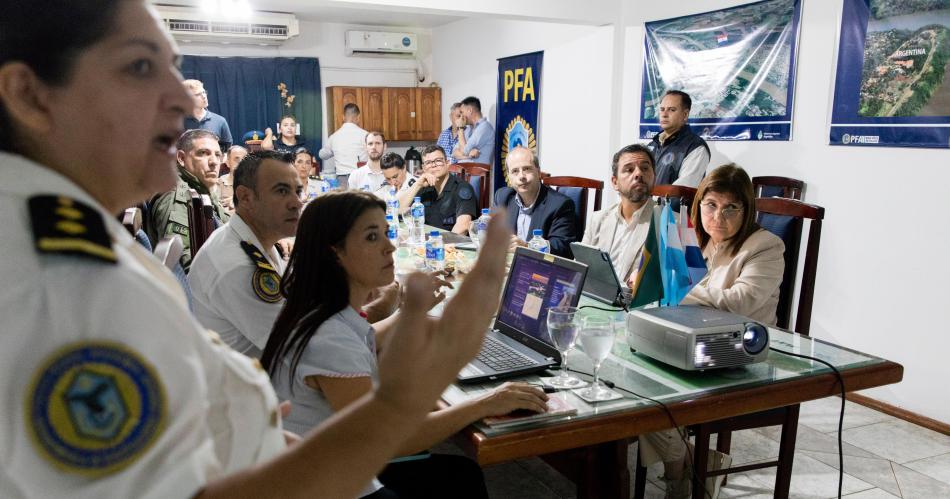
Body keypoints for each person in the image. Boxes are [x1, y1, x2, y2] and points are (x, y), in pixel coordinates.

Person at [0, 2, 515, 497]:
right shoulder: (59, 289)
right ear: (31, 95)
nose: (183, 101)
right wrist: (403, 399)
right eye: (139, 66)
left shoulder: (79, 240)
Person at [262, 191, 549, 499]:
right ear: (335, 253)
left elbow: (367, 338)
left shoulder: (319, 310)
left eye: (386, 233)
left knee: (461, 476)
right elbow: (386, 438)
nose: (390, 247)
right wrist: (486, 403)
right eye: (372, 237)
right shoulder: (331, 337)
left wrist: (412, 313)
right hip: (333, 485)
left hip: (328, 468)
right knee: (461, 479)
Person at [642, 164, 784, 499]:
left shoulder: (765, 246)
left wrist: (679, 287)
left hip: (742, 356)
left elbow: (740, 302)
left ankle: (679, 478)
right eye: (711, 205)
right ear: (699, 205)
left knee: (652, 395)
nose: (718, 216)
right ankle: (689, 464)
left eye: (731, 207)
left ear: (746, 210)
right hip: (694, 344)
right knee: (634, 384)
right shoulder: (695, 240)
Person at [188, 151, 303, 357]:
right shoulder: (239, 267)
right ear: (245, 197)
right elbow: (301, 348)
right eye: (282, 191)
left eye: (298, 191)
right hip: (264, 374)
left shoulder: (252, 239)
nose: (297, 203)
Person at [147, 128, 230, 272]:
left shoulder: (200, 187)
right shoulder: (176, 195)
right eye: (203, 153)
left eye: (217, 155)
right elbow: (184, 266)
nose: (214, 162)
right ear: (181, 158)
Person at [583, 144, 657, 287]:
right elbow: (580, 267)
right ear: (615, 182)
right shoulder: (597, 219)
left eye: (645, 168)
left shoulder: (668, 222)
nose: (638, 174)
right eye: (629, 170)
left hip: (636, 300)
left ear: (654, 177)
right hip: (596, 295)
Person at [493, 146, 577, 257]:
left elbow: (563, 248)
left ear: (538, 172)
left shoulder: (560, 205)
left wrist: (527, 247)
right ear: (509, 176)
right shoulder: (503, 197)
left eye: (526, 169)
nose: (521, 176)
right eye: (515, 171)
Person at [401, 145, 478, 234]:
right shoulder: (423, 186)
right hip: (425, 239)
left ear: (447, 163)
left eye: (438, 160)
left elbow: (463, 226)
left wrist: (440, 242)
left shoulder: (462, 188)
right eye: (428, 163)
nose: (433, 165)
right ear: (423, 168)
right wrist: (417, 184)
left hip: (450, 241)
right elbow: (399, 209)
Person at [646, 90, 710, 187]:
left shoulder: (695, 147)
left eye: (672, 110)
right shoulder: (652, 145)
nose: (664, 114)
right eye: (662, 109)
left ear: (685, 115)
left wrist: (649, 197)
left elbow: (681, 190)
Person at [319, 103, 368, 187]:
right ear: (358, 117)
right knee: (361, 196)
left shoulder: (334, 137)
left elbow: (322, 155)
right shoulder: (366, 135)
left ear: (343, 117)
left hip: (342, 180)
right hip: (361, 177)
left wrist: (334, 150)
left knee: (344, 196)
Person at [183, 78, 233, 151]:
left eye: (204, 92)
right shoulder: (178, 122)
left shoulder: (220, 121)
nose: (204, 96)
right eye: (198, 94)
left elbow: (226, 149)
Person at [452, 96, 494, 164]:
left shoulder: (485, 127)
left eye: (462, 112)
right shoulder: (468, 129)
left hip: (477, 170)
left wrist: (460, 128)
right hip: (463, 169)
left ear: (470, 110)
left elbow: (464, 151)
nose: (461, 116)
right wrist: (469, 156)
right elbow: (454, 152)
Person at [217, 145, 248, 213]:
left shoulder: (255, 183)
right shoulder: (218, 184)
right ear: (228, 162)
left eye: (244, 160)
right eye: (236, 159)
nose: (241, 163)